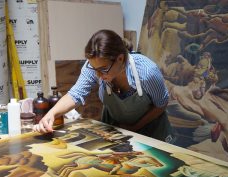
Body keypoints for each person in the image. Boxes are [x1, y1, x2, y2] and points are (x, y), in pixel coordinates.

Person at [33, 29, 172, 141]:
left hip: (151, 132)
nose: (98, 75)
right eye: (94, 69)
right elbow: (76, 94)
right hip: (118, 131)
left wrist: (134, 127)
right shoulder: (94, 66)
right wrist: (50, 114)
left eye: (103, 69)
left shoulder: (147, 72)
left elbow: (162, 103)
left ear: (120, 58)